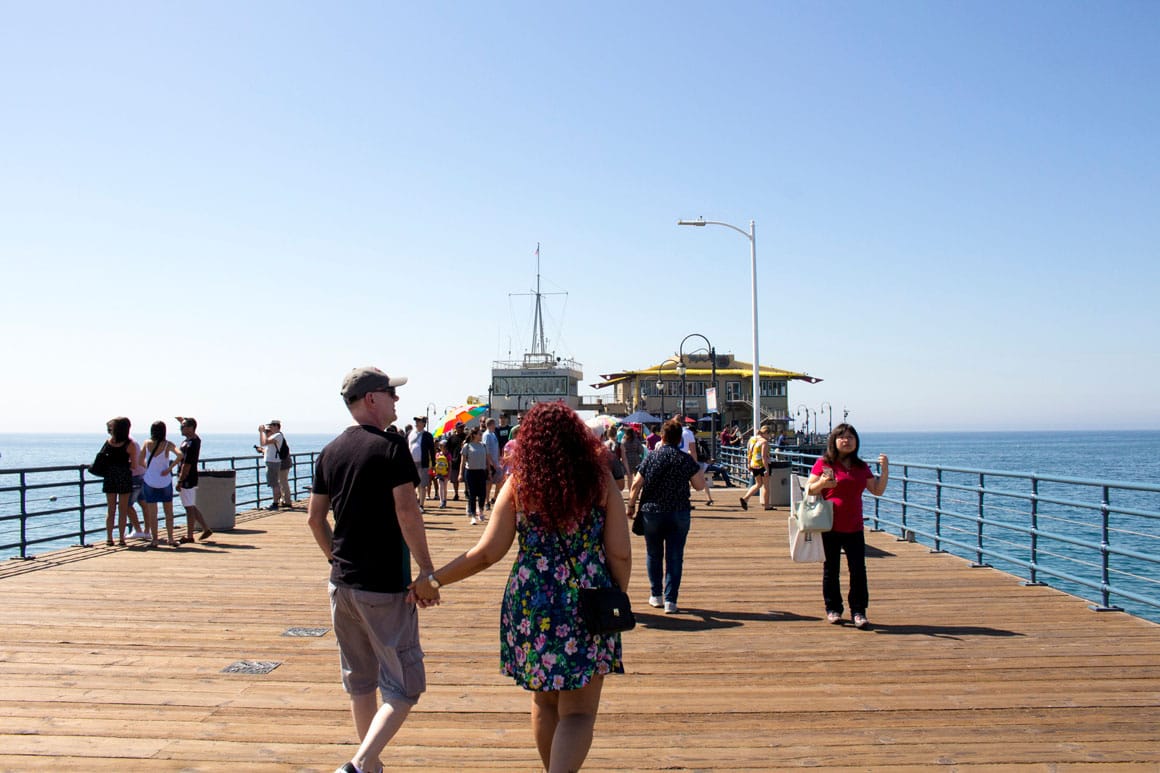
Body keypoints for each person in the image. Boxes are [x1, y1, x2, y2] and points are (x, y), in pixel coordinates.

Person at [416, 401, 630, 773]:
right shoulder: (600, 481)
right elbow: (620, 553)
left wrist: (434, 581)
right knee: (578, 713)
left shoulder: (520, 482)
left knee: (545, 703)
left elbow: (486, 553)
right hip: (588, 600)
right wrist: (615, 597)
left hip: (532, 602)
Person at [306, 366, 440, 773]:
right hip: (383, 587)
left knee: (360, 681)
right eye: (390, 393)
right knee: (404, 687)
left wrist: (336, 560)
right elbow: (406, 510)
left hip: (341, 585)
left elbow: (314, 519)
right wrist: (427, 572)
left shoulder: (330, 451)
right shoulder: (391, 447)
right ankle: (361, 764)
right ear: (371, 400)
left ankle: (372, 766)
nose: (396, 400)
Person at [806, 423, 889, 629]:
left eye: (851, 437)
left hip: (855, 525)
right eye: (842, 437)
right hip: (830, 525)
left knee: (858, 570)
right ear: (834, 441)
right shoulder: (824, 464)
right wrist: (823, 484)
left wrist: (885, 469)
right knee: (831, 569)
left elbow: (877, 490)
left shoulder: (861, 467)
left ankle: (859, 611)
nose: (847, 440)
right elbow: (810, 490)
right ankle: (833, 609)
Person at [626, 418, 707, 614]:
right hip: (678, 512)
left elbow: (636, 484)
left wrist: (631, 505)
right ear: (680, 439)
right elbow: (699, 486)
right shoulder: (684, 459)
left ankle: (656, 596)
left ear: (662, 436)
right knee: (675, 556)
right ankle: (671, 600)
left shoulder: (652, 457)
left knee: (653, 554)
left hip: (652, 513)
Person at [139, 420, 182, 547]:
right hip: (165, 481)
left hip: (150, 481)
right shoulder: (168, 444)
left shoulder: (147, 443)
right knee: (168, 512)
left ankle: (155, 540)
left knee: (153, 513)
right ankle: (171, 538)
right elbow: (180, 455)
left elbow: (140, 461)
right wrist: (169, 468)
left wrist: (148, 468)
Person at [97, 417, 139, 547]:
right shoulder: (129, 444)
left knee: (111, 509)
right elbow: (134, 465)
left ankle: (109, 538)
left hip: (110, 476)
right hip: (124, 476)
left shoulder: (108, 442)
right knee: (122, 509)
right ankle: (121, 538)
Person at [174, 417, 213, 543]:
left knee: (189, 507)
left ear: (191, 428)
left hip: (188, 478)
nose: (181, 428)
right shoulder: (190, 440)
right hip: (188, 477)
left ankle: (190, 535)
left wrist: (180, 480)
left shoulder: (192, 443)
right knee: (190, 504)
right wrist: (182, 421)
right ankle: (206, 528)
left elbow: (187, 464)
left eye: (184, 426)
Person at [460, 426, 490, 525]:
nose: (481, 436)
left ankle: (480, 511)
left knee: (482, 494)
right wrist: (461, 474)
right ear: (474, 435)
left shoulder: (483, 445)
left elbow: (487, 460)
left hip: (481, 472)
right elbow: (463, 461)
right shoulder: (467, 446)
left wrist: (489, 472)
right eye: (479, 434)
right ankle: (473, 516)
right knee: (472, 495)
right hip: (470, 472)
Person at [258, 421, 290, 510]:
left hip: (273, 462)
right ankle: (277, 501)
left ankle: (275, 503)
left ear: (276, 426)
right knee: (275, 483)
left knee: (274, 483)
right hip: (272, 461)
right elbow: (264, 444)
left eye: (271, 426)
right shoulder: (275, 436)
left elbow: (263, 443)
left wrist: (262, 432)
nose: (270, 428)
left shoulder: (278, 435)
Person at [738, 425, 771, 511]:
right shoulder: (764, 442)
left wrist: (748, 463)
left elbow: (749, 452)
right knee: (766, 486)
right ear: (766, 433)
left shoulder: (752, 439)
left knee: (758, 484)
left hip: (754, 464)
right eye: (769, 434)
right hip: (762, 465)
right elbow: (764, 456)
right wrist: (767, 469)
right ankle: (767, 505)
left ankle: (745, 498)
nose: (769, 437)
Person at [407, 416, 436, 509]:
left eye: (418, 421)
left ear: (423, 423)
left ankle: (421, 505)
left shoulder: (428, 435)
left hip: (423, 463)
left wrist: (434, 464)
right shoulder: (409, 433)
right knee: (411, 485)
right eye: (416, 420)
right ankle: (414, 502)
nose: (416, 422)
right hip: (410, 463)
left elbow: (432, 450)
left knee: (422, 485)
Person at [443, 422, 467, 502]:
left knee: (466, 478)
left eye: (462, 427)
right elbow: (447, 448)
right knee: (455, 479)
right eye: (460, 427)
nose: (462, 429)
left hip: (465, 461)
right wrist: (450, 458)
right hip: (455, 461)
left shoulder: (466, 437)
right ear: (456, 428)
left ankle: (467, 491)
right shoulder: (451, 438)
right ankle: (456, 493)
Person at [619, 425, 645, 492]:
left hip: (627, 460)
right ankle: (636, 492)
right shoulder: (636, 440)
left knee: (629, 477)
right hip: (636, 459)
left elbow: (622, 450)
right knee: (637, 477)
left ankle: (631, 492)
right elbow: (641, 450)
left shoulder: (623, 440)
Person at [432, 441, 451, 508]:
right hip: (439, 473)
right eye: (441, 446)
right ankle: (441, 501)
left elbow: (450, 465)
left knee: (445, 488)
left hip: (445, 473)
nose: (442, 447)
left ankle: (444, 500)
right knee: (440, 487)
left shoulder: (448, 455)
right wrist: (434, 471)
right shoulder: (437, 454)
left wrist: (449, 474)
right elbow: (435, 463)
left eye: (444, 446)